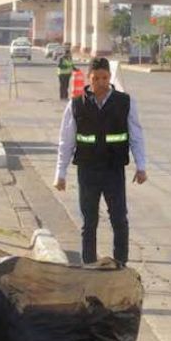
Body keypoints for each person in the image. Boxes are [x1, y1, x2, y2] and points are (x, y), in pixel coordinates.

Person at [54, 57, 148, 266]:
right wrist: (60, 174)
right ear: (89, 78)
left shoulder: (125, 102)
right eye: (96, 78)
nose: (101, 83)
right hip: (87, 171)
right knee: (89, 222)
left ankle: (120, 265)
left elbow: (136, 136)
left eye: (104, 78)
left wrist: (141, 166)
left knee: (119, 220)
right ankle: (89, 265)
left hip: (113, 171)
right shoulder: (76, 105)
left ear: (110, 77)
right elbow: (66, 141)